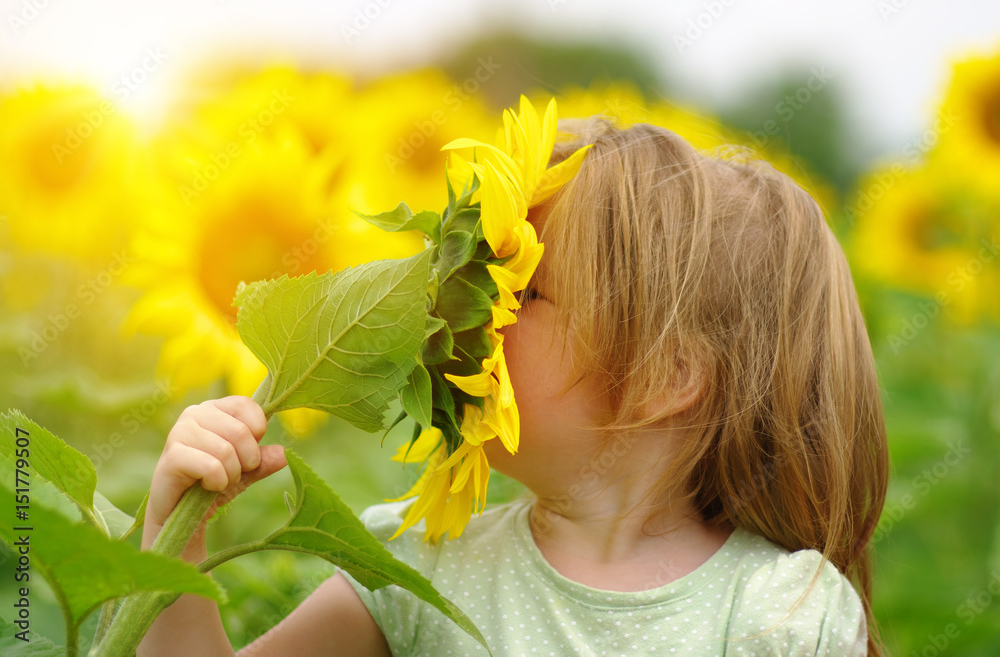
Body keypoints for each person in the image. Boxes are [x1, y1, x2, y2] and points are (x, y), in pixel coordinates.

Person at [138, 116, 888, 656]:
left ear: (664, 376)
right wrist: (174, 544)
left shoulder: (780, 619)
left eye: (523, 292)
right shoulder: (419, 561)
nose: (463, 311)